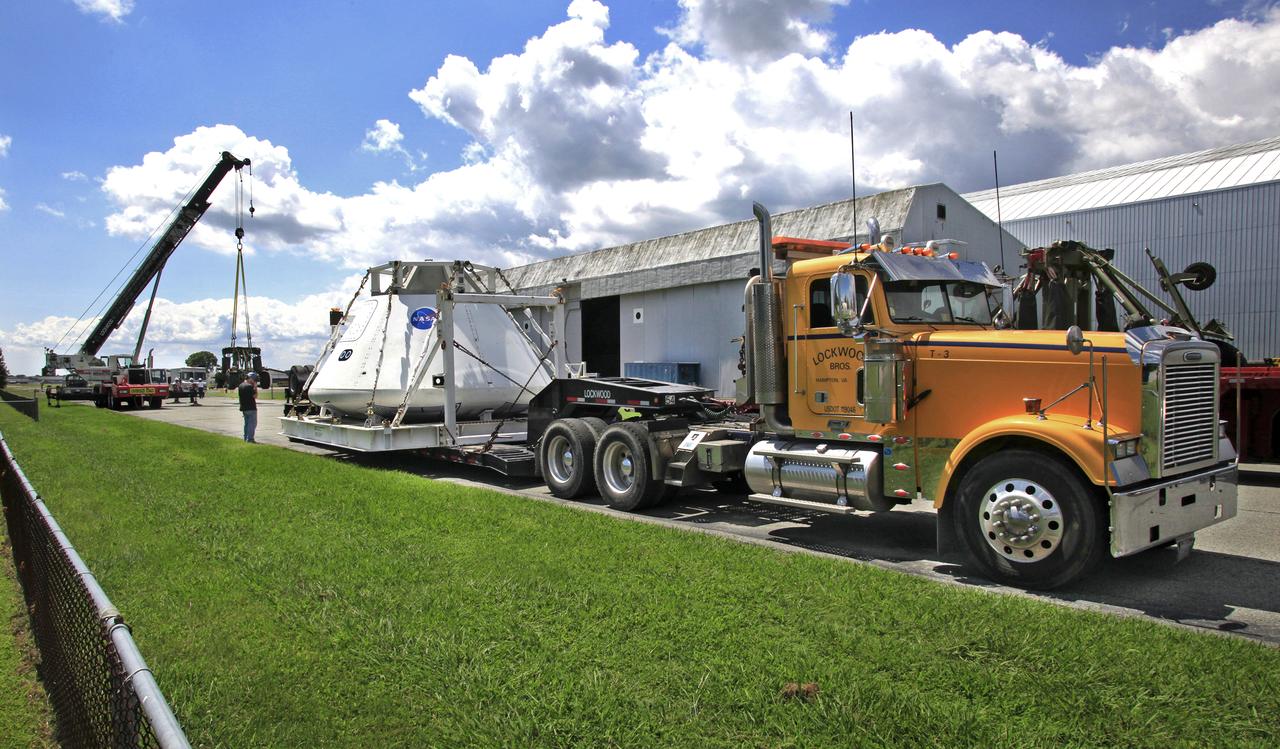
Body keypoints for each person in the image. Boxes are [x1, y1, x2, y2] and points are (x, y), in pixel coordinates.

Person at [238, 371, 259, 442]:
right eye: (254, 380)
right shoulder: (249, 386)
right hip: (251, 408)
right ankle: (250, 439)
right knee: (252, 424)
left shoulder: (241, 385)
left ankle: (245, 437)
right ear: (251, 379)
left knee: (246, 424)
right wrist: (255, 387)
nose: (254, 381)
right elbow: (255, 396)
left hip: (244, 407)